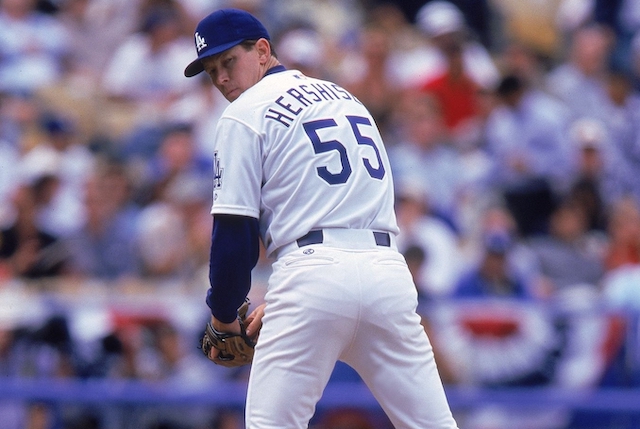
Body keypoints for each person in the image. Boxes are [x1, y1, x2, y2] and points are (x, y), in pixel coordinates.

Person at [183, 8, 459, 429]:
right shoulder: (346, 98)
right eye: (211, 70)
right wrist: (284, 299)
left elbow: (233, 237)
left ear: (262, 51)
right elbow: (334, 215)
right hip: (387, 274)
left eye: (228, 62)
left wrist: (224, 316)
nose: (221, 78)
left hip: (312, 277)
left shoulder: (244, 113)